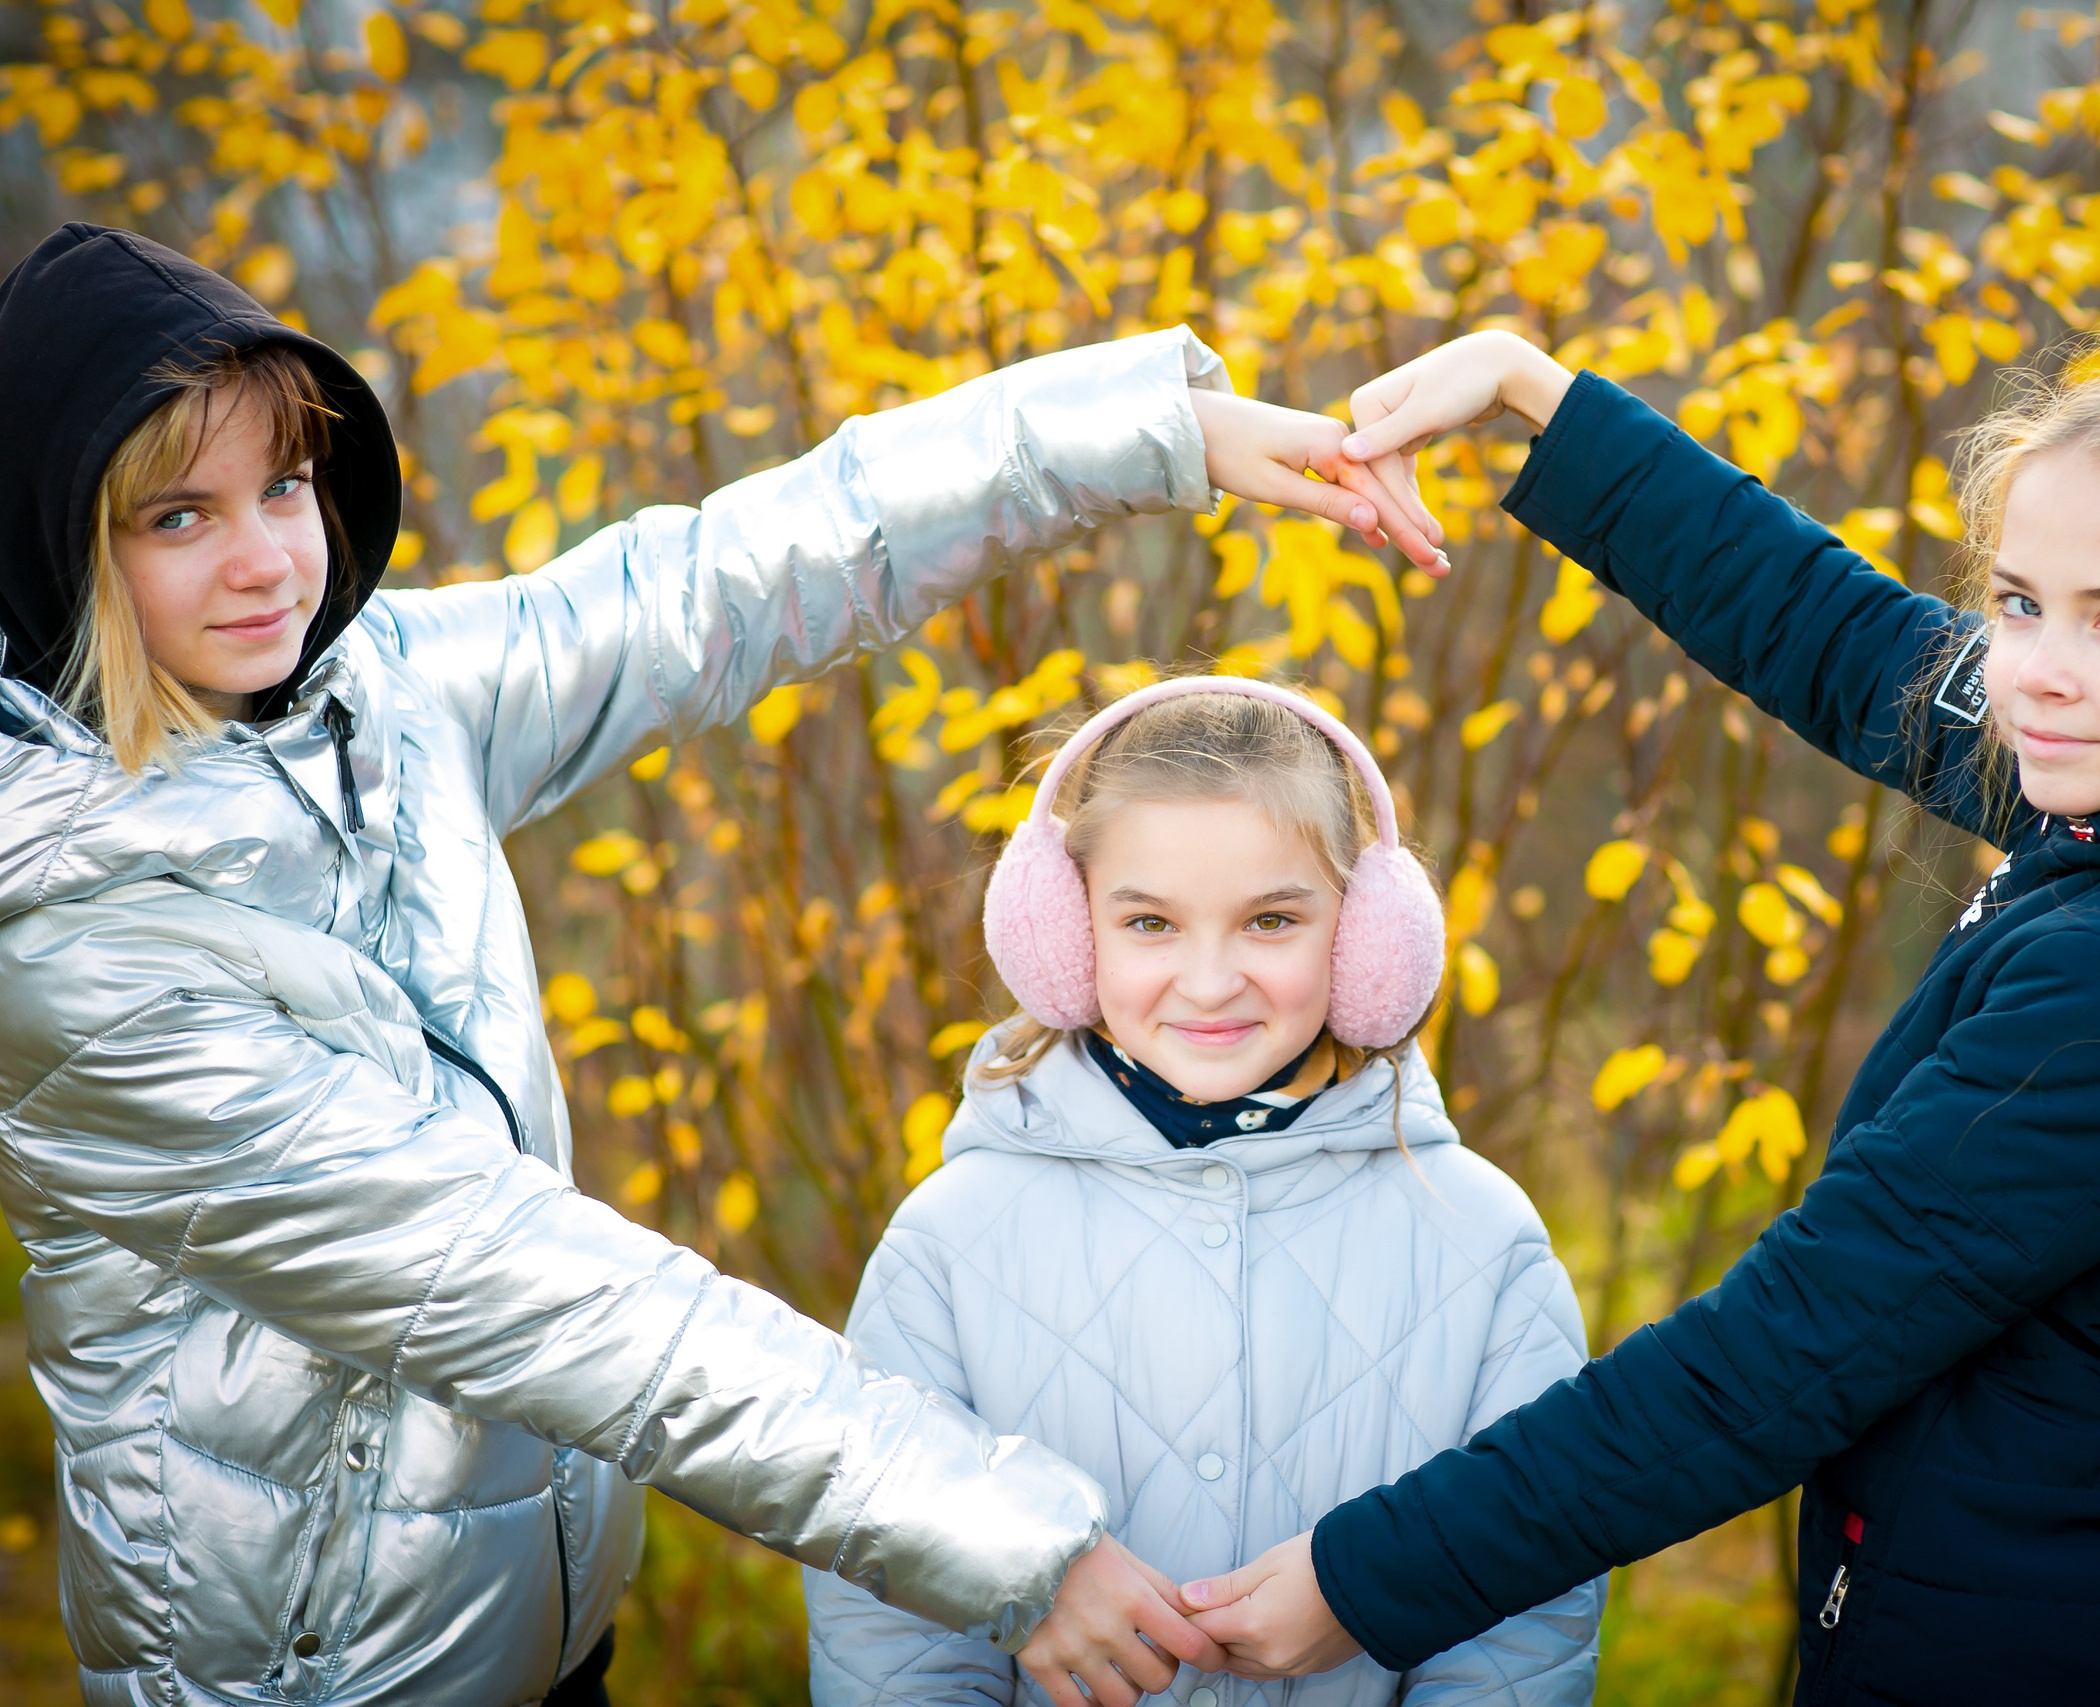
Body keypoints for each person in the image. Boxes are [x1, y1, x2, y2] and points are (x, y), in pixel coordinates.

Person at [0, 221, 1442, 1706]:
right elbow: (530, 1287)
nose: (264, 561)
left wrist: (1158, 432)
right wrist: (1004, 1541)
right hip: (308, 1681)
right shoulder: (72, 953)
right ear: (60, 543)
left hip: (530, 1631)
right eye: (178, 516)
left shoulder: (371, 698)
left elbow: (723, 580)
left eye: (285, 486)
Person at [1176, 327, 2100, 1703]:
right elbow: (1843, 634)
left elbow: (1769, 1357)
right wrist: (1543, 399)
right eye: (2020, 600)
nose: (2033, 669)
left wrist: (1364, 1578)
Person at [803, 675, 1603, 1707]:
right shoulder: (949, 1241)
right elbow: (890, 1629)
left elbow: (1521, 1628)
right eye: (1149, 924)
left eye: (1271, 920)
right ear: (1063, 933)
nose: (1212, 979)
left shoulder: (1482, 1238)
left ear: (1367, 939)